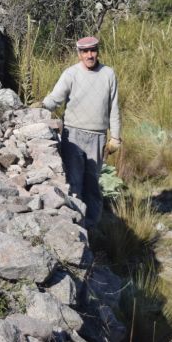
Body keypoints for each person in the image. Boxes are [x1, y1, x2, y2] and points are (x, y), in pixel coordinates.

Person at [33, 36, 121, 228]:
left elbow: (114, 107)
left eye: (93, 50)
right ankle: (77, 227)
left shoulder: (108, 74)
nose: (90, 55)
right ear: (79, 53)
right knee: (73, 183)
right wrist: (39, 107)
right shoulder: (71, 74)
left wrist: (115, 137)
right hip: (72, 135)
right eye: (85, 51)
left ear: (98, 51)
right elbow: (55, 98)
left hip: (98, 137)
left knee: (92, 184)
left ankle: (92, 227)